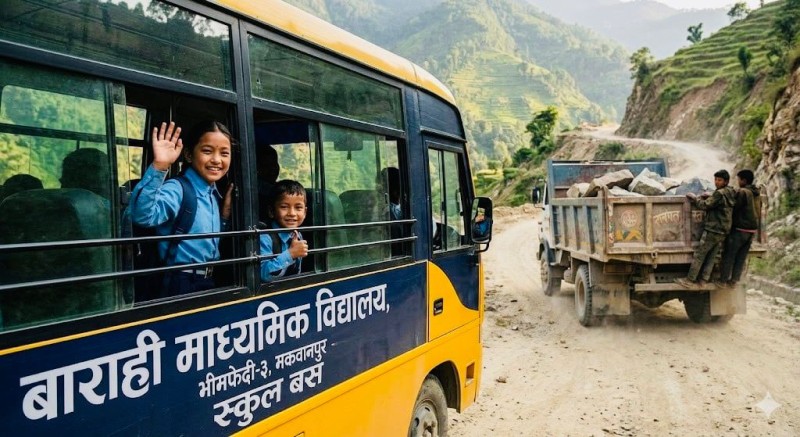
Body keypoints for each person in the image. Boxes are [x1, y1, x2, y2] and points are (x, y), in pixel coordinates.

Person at [129, 121, 234, 296]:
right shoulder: (177, 189)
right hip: (180, 282)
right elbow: (142, 216)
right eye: (207, 151)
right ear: (189, 155)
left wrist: (224, 218)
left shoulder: (214, 193)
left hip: (207, 279)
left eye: (224, 153)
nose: (217, 160)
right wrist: (160, 166)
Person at [675, 169, 736, 287]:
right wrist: (711, 196)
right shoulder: (730, 191)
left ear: (726, 181)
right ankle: (704, 280)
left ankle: (689, 280)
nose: (716, 182)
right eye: (716, 179)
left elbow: (705, 205)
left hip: (713, 229)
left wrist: (694, 198)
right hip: (723, 230)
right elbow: (719, 202)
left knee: (700, 254)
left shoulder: (719, 193)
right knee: (712, 256)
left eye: (719, 180)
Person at [719, 169, 761, 287]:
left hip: (740, 230)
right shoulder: (755, 191)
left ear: (744, 180)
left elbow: (734, 207)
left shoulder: (743, 192)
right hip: (751, 232)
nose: (737, 182)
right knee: (741, 257)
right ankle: (734, 280)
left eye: (738, 179)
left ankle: (722, 280)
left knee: (729, 255)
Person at [259, 179, 308, 281]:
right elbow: (263, 274)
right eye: (284, 207)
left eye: (298, 208)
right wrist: (290, 254)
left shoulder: (297, 235)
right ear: (271, 211)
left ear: (305, 212)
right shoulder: (265, 237)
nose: (292, 213)